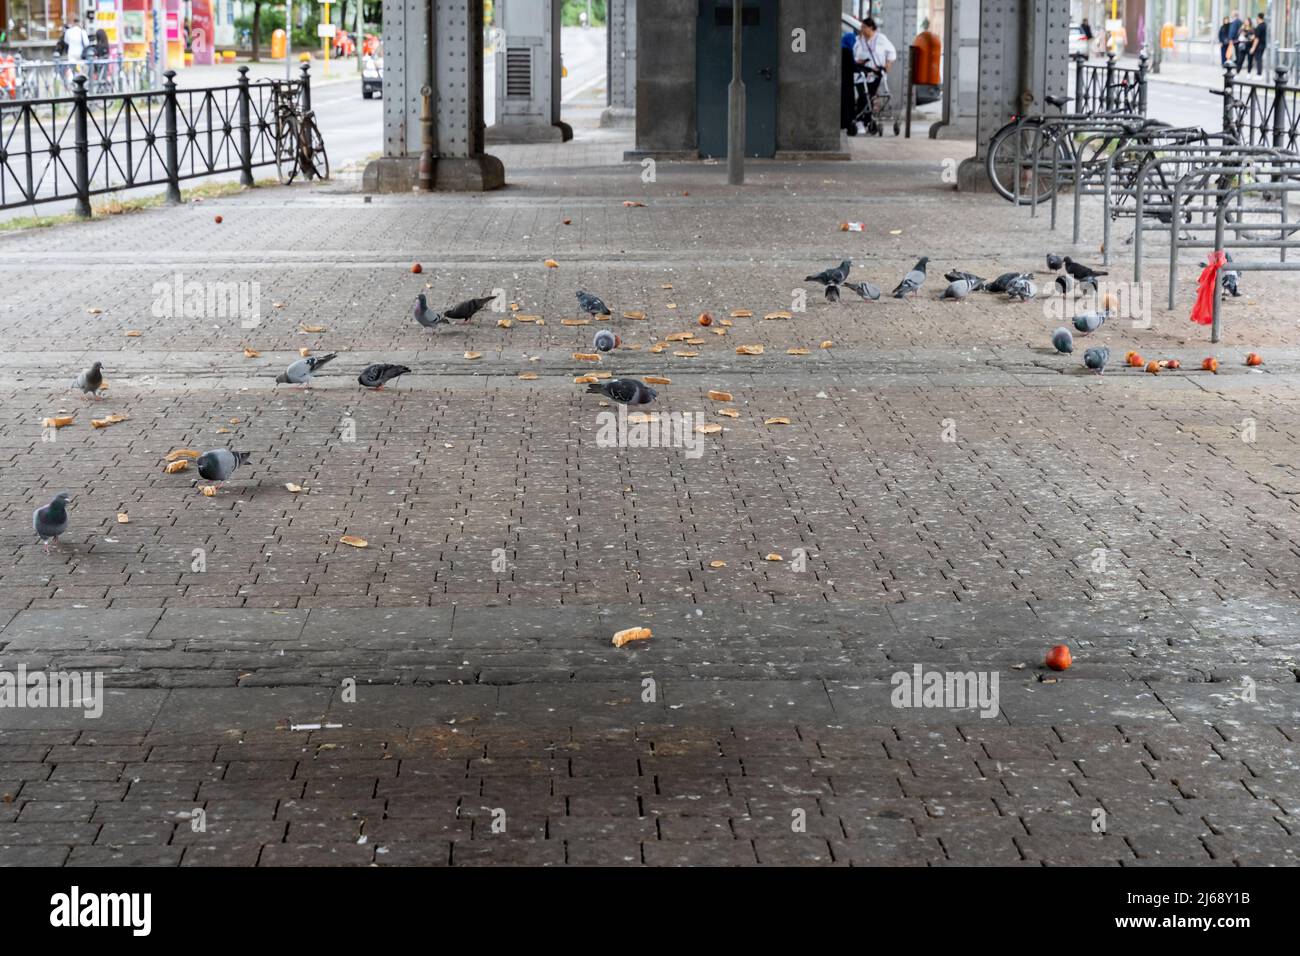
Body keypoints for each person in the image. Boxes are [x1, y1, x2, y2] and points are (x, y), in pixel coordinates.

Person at [853, 17, 896, 107]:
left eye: (864, 27)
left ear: (871, 27)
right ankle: (863, 118)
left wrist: (888, 65)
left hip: (875, 73)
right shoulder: (859, 39)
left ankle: (867, 118)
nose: (862, 29)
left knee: (871, 97)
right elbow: (855, 54)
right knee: (863, 96)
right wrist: (858, 61)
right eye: (861, 27)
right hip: (861, 73)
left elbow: (891, 51)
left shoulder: (881, 38)